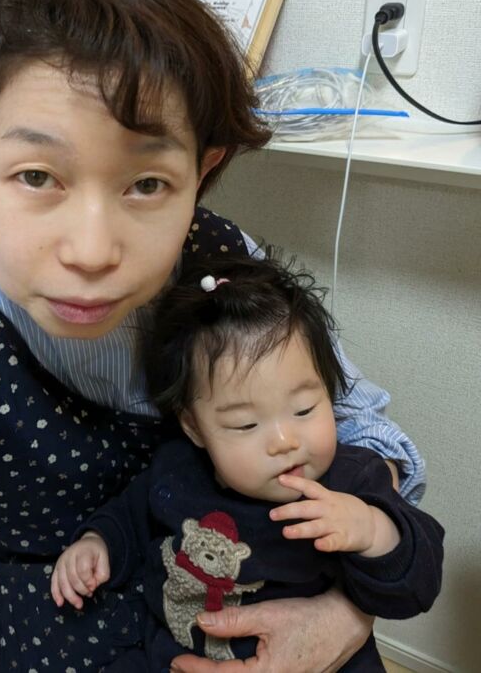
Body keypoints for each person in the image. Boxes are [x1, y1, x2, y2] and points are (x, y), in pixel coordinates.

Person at [0, 0, 426, 673]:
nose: (92, 252)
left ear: (201, 171)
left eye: (147, 183)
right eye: (37, 176)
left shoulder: (221, 262)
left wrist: (343, 610)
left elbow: (357, 425)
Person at [52, 253, 444, 671]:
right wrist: (97, 543)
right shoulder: (177, 471)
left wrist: (373, 531)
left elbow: (417, 586)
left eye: (304, 409)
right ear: (194, 428)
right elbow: (130, 517)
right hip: (172, 657)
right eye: (246, 424)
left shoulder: (352, 481)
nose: (284, 442)